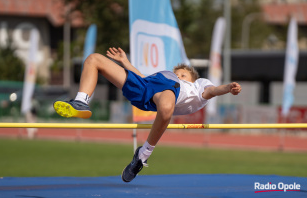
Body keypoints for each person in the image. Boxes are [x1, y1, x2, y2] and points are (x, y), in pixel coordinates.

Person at [53, 47, 242, 183]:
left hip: (168, 92)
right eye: (178, 73)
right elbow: (142, 79)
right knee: (94, 59)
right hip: (148, 87)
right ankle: (81, 101)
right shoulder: (169, 75)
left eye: (183, 74)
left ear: (192, 80)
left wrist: (228, 88)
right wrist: (125, 63)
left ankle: (142, 155)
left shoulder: (197, 86)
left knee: (167, 107)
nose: (179, 75)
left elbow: (213, 90)